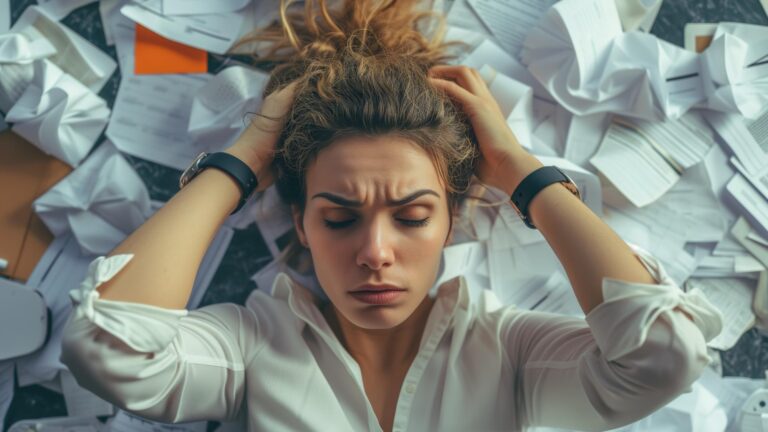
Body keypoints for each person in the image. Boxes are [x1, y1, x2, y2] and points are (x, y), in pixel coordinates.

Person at [59, 1, 723, 431]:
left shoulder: (509, 351)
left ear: (453, 218)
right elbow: (110, 347)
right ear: (300, 220)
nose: (375, 250)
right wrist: (243, 160)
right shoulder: (255, 345)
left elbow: (665, 353)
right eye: (340, 218)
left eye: (411, 216)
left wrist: (520, 169)